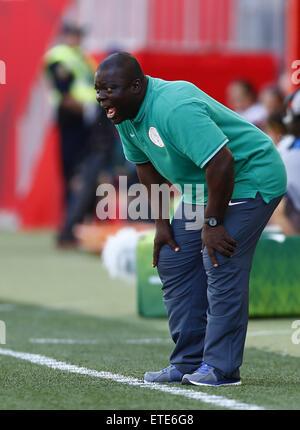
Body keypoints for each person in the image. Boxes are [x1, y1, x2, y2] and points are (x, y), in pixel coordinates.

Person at [94, 52, 287, 386]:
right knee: (174, 257)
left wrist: (212, 225)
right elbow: (145, 166)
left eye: (109, 89)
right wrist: (161, 224)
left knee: (219, 258)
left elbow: (223, 161)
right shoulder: (122, 113)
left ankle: (222, 368)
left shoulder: (173, 107)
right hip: (203, 187)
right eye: (98, 90)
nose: (102, 98)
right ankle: (188, 361)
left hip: (251, 176)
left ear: (137, 86)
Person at [44, 22, 99, 246]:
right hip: (73, 122)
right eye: (74, 34)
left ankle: (79, 228)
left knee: (88, 173)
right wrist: (87, 110)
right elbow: (65, 96)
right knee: (73, 175)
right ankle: (69, 228)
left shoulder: (83, 57)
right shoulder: (60, 58)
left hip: (88, 123)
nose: (78, 38)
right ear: (65, 35)